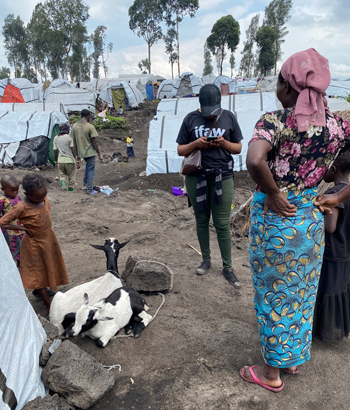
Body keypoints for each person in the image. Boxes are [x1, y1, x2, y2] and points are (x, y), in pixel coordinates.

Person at [241, 48, 350, 392]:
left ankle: (271, 375)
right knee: (301, 292)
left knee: (274, 293)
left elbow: (255, 161)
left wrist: (272, 192)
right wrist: (338, 195)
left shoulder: (276, 121)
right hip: (310, 222)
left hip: (276, 222)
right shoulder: (338, 126)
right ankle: (293, 360)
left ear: (289, 87)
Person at [176, 83, 243, 288]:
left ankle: (228, 267)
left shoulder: (229, 117)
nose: (209, 116)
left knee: (222, 224)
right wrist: (197, 144)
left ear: (219, 103)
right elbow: (180, 150)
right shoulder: (190, 119)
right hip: (197, 177)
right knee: (202, 220)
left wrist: (223, 144)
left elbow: (238, 148)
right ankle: (206, 259)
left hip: (223, 177)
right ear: (200, 104)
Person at [0, 174, 68, 309]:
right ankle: (49, 306)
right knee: (38, 274)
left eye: (44, 196)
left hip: (48, 239)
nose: (42, 199)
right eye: (38, 198)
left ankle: (41, 291)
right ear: (27, 193)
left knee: (48, 266)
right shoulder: (22, 207)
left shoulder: (41, 196)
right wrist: (21, 227)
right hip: (34, 245)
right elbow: (2, 222)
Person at [313, 152, 350, 342]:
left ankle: (321, 331)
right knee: (338, 289)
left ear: (333, 169)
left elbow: (330, 227)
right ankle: (334, 329)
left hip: (330, 253)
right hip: (345, 252)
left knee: (325, 291)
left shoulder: (332, 195)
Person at [70, 109, 102, 195]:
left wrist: (76, 154)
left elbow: (74, 141)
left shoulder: (74, 126)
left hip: (81, 152)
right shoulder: (90, 127)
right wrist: (99, 153)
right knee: (91, 169)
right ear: (88, 116)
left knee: (88, 166)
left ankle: (85, 184)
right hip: (89, 152)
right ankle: (89, 189)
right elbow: (94, 142)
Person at [0, 175, 23, 266]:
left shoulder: (18, 198)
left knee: (21, 253)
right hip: (9, 232)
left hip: (21, 231)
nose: (15, 192)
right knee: (10, 253)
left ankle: (20, 269)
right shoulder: (2, 201)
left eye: (17, 189)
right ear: (3, 189)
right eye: (12, 190)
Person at [53, 122, 80, 191]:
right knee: (71, 176)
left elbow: (55, 151)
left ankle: (63, 182)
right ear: (68, 129)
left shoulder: (56, 138)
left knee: (62, 175)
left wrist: (56, 162)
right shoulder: (69, 138)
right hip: (70, 161)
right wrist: (76, 160)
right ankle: (70, 190)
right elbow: (73, 150)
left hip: (60, 161)